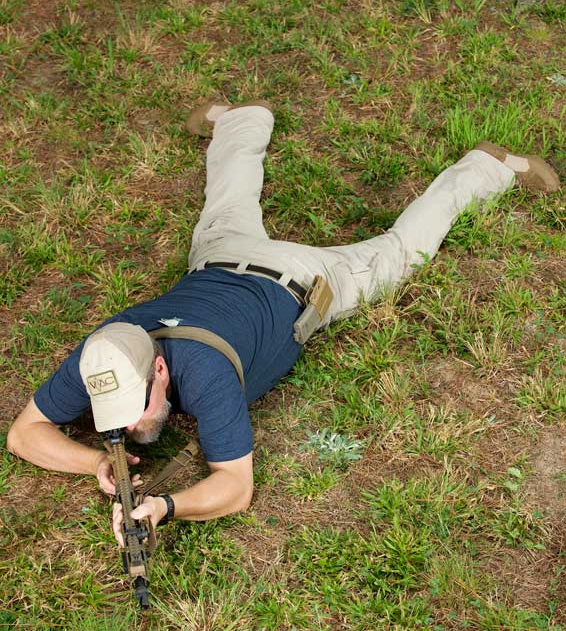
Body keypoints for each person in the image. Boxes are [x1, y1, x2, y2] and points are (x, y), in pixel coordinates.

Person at [7, 101, 561, 545]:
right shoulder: (102, 354)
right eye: (118, 417)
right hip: (223, 255)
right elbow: (22, 435)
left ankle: (489, 167)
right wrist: (96, 462)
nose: (129, 428)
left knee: (401, 252)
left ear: (158, 368)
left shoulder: (206, 375)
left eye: (136, 409)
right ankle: (241, 120)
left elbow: (235, 487)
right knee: (226, 201)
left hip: (308, 278)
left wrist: (166, 507)